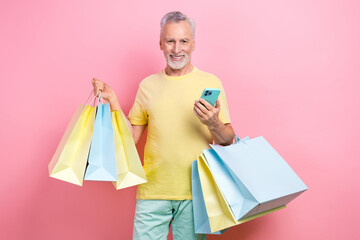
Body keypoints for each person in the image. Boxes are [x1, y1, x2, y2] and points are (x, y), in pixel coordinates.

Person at [92, 11, 235, 240]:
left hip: (195, 195)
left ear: (193, 44)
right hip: (152, 193)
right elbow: (130, 139)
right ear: (160, 43)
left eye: (183, 41)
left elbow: (228, 139)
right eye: (170, 41)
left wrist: (213, 122)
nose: (177, 49)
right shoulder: (147, 86)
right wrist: (114, 102)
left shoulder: (210, 83)